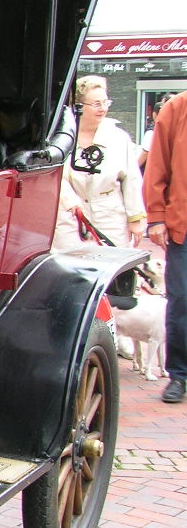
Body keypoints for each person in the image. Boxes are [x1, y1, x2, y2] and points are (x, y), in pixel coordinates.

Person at [53, 75, 145, 251]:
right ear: (78, 106)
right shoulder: (61, 139)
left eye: (105, 103)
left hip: (110, 218)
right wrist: (69, 201)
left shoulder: (118, 138)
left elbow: (132, 179)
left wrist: (135, 219)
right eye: (96, 104)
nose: (102, 109)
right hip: (70, 219)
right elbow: (55, 176)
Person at [144, 88, 187, 403]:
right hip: (184, 224)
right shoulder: (176, 108)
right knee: (182, 301)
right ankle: (179, 375)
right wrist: (156, 216)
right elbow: (157, 166)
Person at [140, 98, 165, 171]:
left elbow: (145, 154)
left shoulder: (151, 133)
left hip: (152, 170)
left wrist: (133, 168)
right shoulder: (171, 131)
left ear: (154, 114)